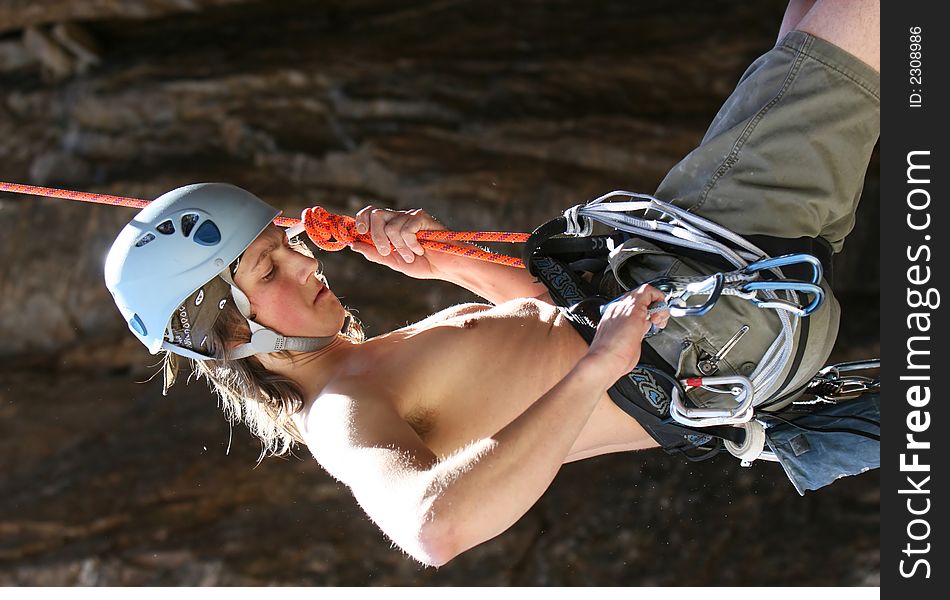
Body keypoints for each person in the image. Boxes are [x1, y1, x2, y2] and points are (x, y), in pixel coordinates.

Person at [104, 0, 879, 567]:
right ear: (233, 336)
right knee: (848, 35)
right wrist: (596, 371)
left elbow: (550, 321)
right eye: (271, 269)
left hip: (719, 316)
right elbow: (434, 527)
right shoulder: (342, 415)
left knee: (812, 31)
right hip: (703, 322)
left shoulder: (366, 366)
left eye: (286, 247)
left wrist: (441, 262)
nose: (308, 262)